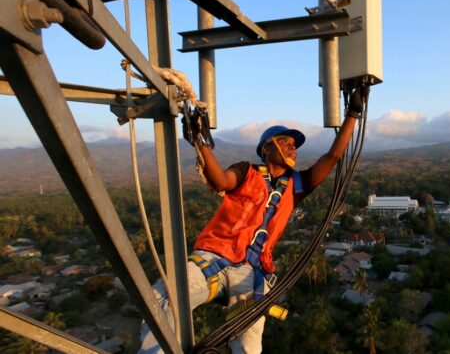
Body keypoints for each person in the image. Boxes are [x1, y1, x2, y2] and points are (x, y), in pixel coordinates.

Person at [139, 86, 367, 354]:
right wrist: (200, 143)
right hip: (212, 258)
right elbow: (220, 180)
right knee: (160, 299)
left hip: (251, 272)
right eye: (286, 143)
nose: (293, 148)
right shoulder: (246, 172)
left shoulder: (297, 185)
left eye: (294, 146)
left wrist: (352, 113)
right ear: (267, 148)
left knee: (249, 344)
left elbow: (333, 156)